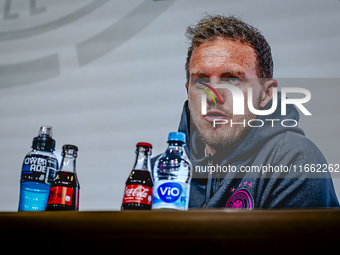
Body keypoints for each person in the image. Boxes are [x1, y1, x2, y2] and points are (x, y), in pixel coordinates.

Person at [153, 14, 339, 209]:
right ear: (188, 92)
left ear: (266, 94)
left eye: (232, 79)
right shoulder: (158, 172)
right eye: (200, 81)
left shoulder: (293, 161)